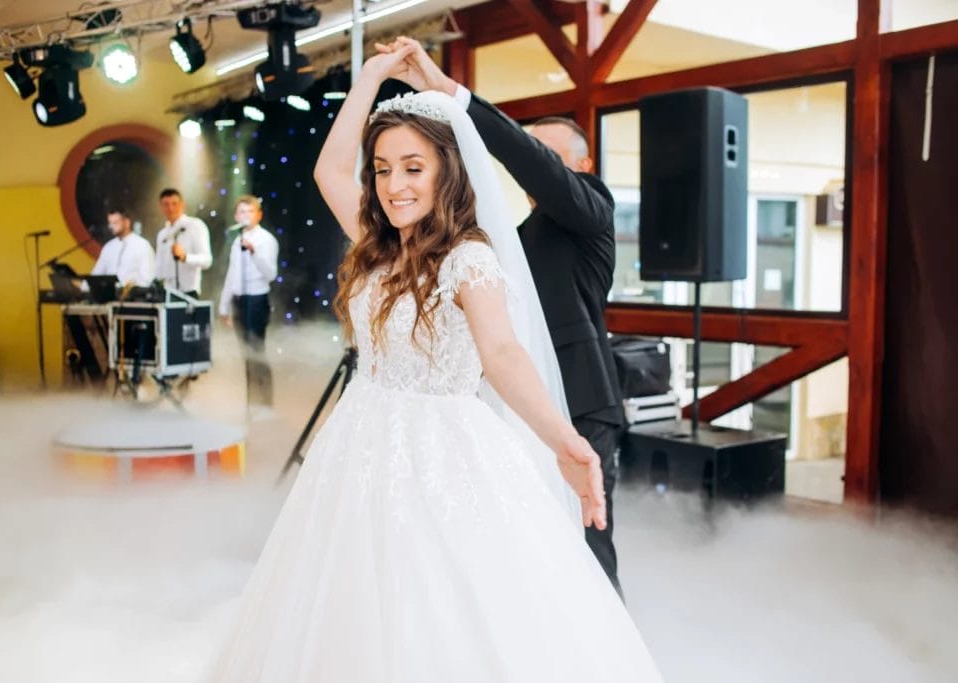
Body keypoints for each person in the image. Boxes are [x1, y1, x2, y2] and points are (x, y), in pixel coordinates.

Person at [208, 46, 661, 682]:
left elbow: (502, 352)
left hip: (441, 448)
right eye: (383, 169)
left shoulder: (470, 258)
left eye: (413, 168)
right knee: (345, 601)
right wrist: (370, 76)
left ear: (447, 173)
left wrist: (563, 439)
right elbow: (330, 170)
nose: (394, 185)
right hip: (358, 442)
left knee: (438, 604)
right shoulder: (376, 246)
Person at [379, 36, 626, 595]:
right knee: (527, 544)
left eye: (549, 155)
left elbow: (534, 164)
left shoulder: (593, 208)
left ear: (583, 165)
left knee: (587, 544)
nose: (537, 164)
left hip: (580, 398)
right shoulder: (510, 238)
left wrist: (449, 92)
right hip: (515, 402)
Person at [218, 195, 279, 410]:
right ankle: (251, 403)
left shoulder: (267, 240)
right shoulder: (237, 241)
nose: (246, 216)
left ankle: (265, 403)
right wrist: (224, 305)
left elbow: (271, 274)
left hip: (256, 300)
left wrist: (254, 252)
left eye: (250, 211)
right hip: (239, 300)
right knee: (246, 353)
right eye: (242, 212)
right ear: (236, 216)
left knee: (256, 352)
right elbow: (232, 274)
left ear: (259, 215)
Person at [155, 188, 212, 298]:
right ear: (161, 207)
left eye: (174, 204)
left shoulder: (195, 226)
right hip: (166, 293)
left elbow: (207, 260)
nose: (170, 208)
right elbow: (158, 266)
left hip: (189, 293)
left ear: (182, 205)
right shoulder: (162, 234)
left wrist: (185, 257)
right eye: (166, 204)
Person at [90, 207, 154, 287]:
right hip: (109, 293)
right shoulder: (108, 247)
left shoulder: (142, 245)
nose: (111, 226)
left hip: (133, 293)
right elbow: (96, 275)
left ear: (127, 222)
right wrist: (83, 286)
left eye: (115, 222)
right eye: (110, 223)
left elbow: (148, 279)